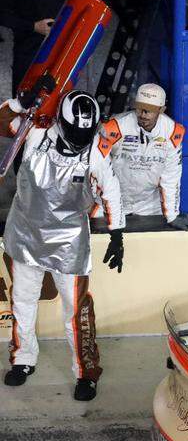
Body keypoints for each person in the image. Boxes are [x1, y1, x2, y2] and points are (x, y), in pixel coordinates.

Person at [1, 89, 123, 401]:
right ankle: (23, 359)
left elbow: (111, 191)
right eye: (74, 132)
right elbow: (1, 123)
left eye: (86, 132)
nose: (80, 137)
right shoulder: (35, 131)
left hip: (69, 243)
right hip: (25, 236)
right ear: (61, 122)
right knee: (23, 302)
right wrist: (19, 102)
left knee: (77, 311)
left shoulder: (95, 151)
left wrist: (116, 233)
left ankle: (86, 372)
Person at [0, 0, 111, 94]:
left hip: (66, 46)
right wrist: (33, 26)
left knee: (68, 98)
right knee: (23, 99)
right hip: (31, 49)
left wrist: (85, 22)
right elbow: (3, 16)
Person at [98, 83, 188, 230]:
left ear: (162, 110)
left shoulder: (173, 133)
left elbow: (171, 176)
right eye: (140, 108)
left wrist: (172, 215)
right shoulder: (113, 128)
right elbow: (97, 169)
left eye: (150, 110)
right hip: (112, 199)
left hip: (149, 204)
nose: (143, 114)